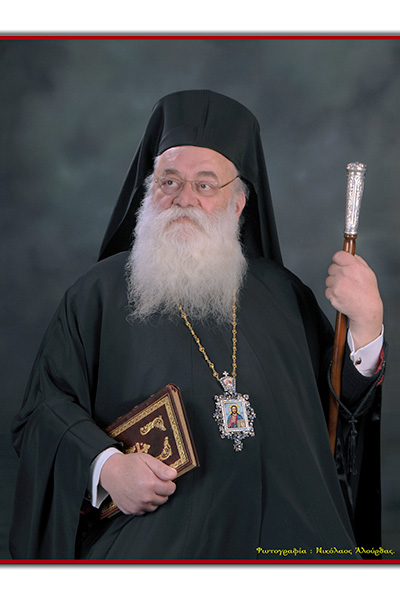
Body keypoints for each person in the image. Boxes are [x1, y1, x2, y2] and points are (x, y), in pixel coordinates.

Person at [10, 90, 386, 561]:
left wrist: (367, 326)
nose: (183, 199)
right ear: (149, 190)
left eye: (205, 185)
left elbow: (340, 417)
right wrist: (106, 468)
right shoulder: (97, 293)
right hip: (157, 547)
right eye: (168, 181)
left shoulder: (285, 294)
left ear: (238, 203)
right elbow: (43, 411)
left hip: (295, 544)